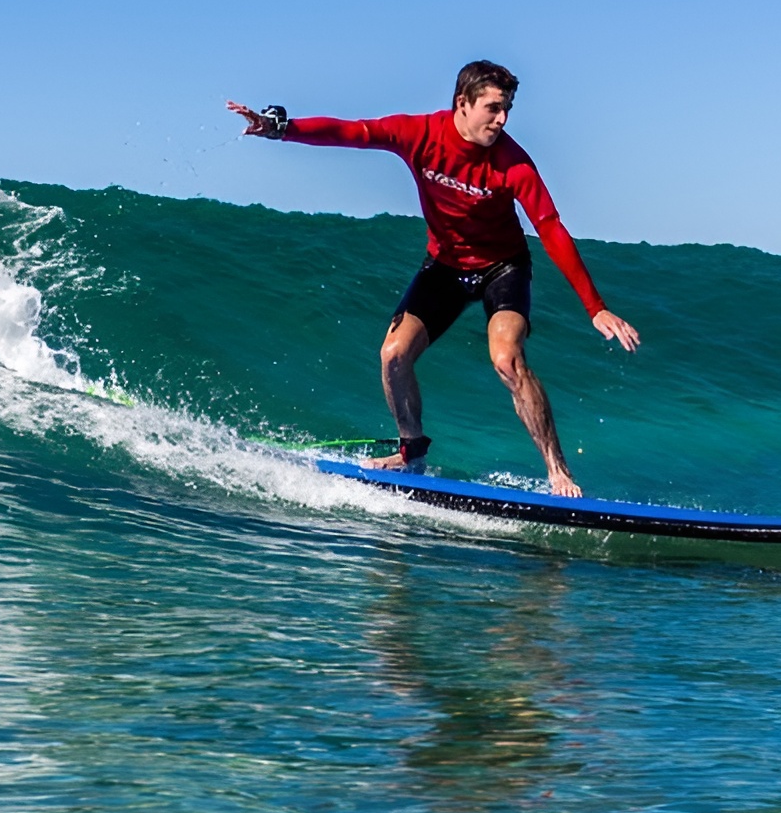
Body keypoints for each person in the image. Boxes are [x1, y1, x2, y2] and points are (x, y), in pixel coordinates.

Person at [228, 61, 639, 497]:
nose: (502, 119)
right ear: (462, 103)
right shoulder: (419, 134)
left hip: (503, 267)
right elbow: (354, 133)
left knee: (506, 359)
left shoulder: (513, 163)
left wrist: (595, 307)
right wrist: (282, 128)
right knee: (393, 354)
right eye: (493, 108)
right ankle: (411, 452)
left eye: (507, 109)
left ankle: (557, 470)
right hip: (445, 266)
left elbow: (551, 227)